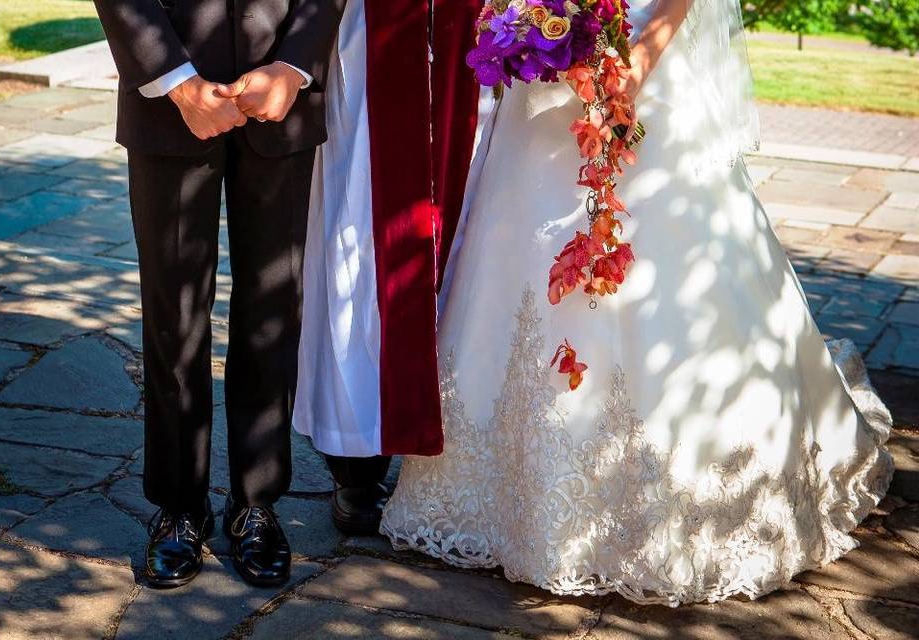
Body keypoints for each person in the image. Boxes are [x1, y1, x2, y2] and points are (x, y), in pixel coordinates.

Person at [379, 0, 894, 605]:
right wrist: (522, 29)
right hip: (539, 93)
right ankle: (513, 498)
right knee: (522, 249)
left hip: (645, 72)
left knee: (653, 260)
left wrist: (632, 64)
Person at [91, 0, 357, 588]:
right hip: (168, 102)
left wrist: (292, 66)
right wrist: (178, 84)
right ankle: (180, 507)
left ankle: (255, 505)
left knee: (274, 309)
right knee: (173, 313)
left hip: (281, 103)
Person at [293, 0, 482, 533]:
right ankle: (357, 458)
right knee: (360, 234)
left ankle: (472, 451)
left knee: (473, 227)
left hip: (475, 37)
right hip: (373, 34)